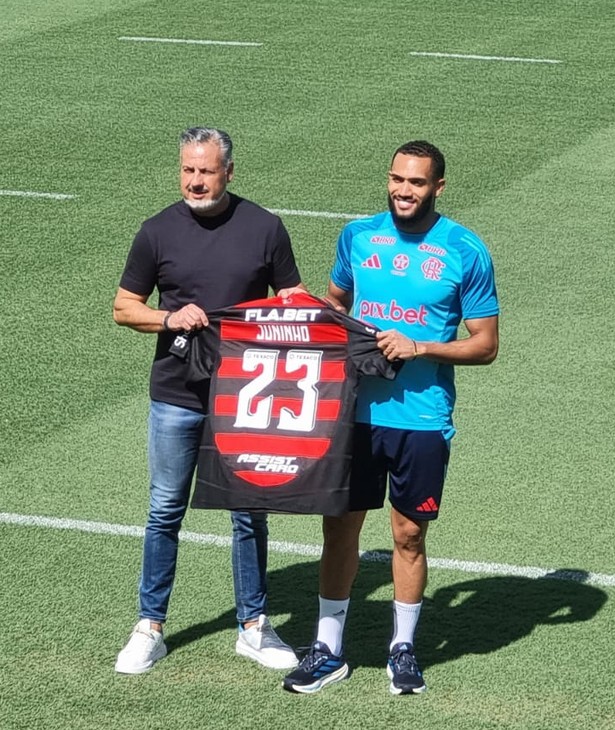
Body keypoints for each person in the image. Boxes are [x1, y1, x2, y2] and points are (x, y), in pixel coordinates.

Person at [282, 140, 500, 695]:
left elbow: (486, 345)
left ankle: (402, 649)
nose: (405, 190)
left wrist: (420, 347)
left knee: (407, 535)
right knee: (340, 529)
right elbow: (335, 303)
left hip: (422, 419)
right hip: (354, 415)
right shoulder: (357, 236)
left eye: (418, 182)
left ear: (439, 188)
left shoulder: (464, 250)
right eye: (398, 180)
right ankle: (327, 649)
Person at [113, 127, 305, 674]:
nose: (195, 181)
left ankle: (254, 626)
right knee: (164, 510)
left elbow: (290, 299)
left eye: (206, 171)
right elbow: (125, 307)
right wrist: (168, 317)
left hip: (247, 398)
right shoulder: (156, 232)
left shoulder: (265, 227)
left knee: (249, 511)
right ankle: (150, 627)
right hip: (176, 394)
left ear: (229, 172)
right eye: (187, 170)